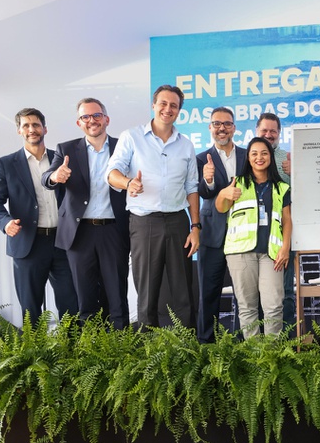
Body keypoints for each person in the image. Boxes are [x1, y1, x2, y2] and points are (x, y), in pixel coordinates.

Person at [106, 84, 200, 328]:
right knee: (147, 290)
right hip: (144, 222)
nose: (168, 109)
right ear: (153, 105)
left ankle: (185, 347)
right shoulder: (132, 137)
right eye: (163, 104)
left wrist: (196, 227)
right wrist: (128, 183)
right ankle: (149, 354)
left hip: (178, 221)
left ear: (179, 110)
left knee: (182, 289)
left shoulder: (186, 144)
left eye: (174, 105)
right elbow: (111, 173)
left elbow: (192, 188)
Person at [41, 98, 131, 329]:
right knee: (85, 296)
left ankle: (122, 349)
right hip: (79, 233)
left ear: (106, 119)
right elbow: (47, 177)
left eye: (96, 115)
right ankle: (91, 351)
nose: (92, 121)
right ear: (79, 122)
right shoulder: (66, 149)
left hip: (114, 229)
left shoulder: (123, 146)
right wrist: (55, 177)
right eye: (86, 117)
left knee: (116, 294)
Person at [0, 108, 78, 325]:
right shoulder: (5, 164)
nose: (31, 129)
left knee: (71, 305)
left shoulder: (62, 160)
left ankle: (71, 354)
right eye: (26, 125)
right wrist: (5, 222)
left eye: (35, 125)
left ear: (44, 128)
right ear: (19, 131)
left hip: (63, 243)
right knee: (31, 308)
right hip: (28, 242)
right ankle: (36, 356)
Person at [216, 137, 292, 338]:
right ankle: (255, 359)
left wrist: (285, 248)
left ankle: (272, 358)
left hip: (271, 254)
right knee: (248, 308)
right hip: (240, 253)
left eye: (264, 153)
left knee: (274, 306)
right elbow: (221, 207)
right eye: (254, 154)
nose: (260, 158)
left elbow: (287, 220)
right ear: (248, 158)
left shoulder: (281, 188)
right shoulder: (237, 184)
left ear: (271, 157)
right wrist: (224, 193)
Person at [196, 107, 246, 342]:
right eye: (217, 124)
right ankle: (206, 345)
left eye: (226, 124)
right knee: (208, 293)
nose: (222, 128)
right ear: (210, 128)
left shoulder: (248, 156)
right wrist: (208, 178)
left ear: (234, 128)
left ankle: (243, 344)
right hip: (212, 234)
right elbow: (202, 194)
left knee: (245, 296)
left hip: (245, 235)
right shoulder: (200, 159)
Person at [256, 113, 296, 333]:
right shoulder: (248, 158)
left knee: (285, 292)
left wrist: (294, 174)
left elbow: (297, 197)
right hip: (256, 240)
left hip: (283, 238)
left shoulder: (288, 159)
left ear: (279, 134)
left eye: (273, 131)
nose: (268, 135)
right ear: (257, 131)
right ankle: (258, 345)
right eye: (264, 130)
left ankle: (286, 343)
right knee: (257, 295)